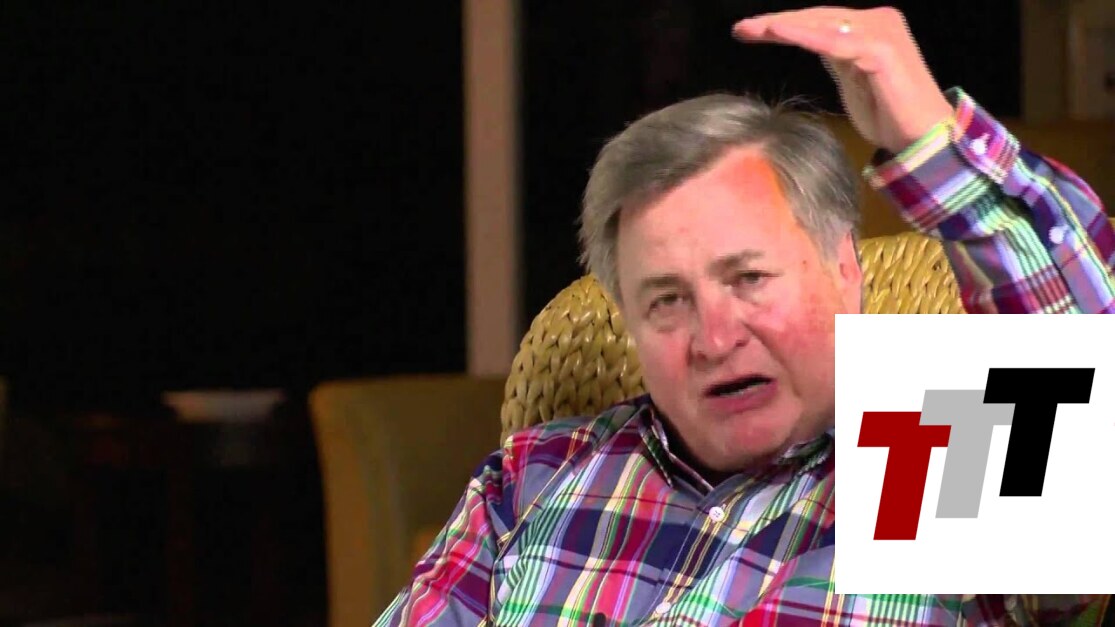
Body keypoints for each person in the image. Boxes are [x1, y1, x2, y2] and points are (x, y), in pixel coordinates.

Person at [376, 6, 1115, 626]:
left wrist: (933, 143)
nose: (715, 338)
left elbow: (1080, 359)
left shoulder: (934, 454)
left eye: (749, 278)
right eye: (667, 300)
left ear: (844, 269)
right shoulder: (532, 478)